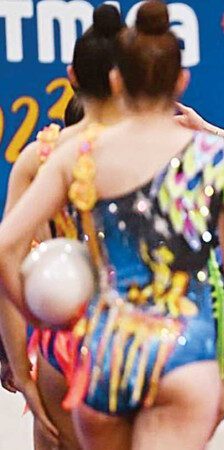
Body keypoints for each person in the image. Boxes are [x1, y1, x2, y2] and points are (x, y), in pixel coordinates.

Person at [0, 2, 224, 449]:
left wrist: (45, 323)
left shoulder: (74, 156)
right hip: (183, 352)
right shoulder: (212, 157)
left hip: (102, 353)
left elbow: (6, 249)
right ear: (181, 81)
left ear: (115, 78)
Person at [0, 6, 124, 449]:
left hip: (65, 345)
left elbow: (6, 254)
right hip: (144, 345)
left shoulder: (41, 158)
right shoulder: (167, 150)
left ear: (72, 75)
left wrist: (19, 362)